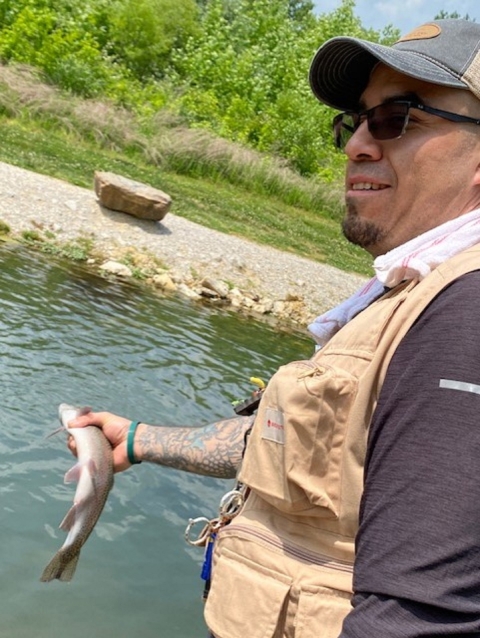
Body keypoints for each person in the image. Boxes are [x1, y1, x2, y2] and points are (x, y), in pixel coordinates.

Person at [68, 18, 480, 637]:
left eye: (399, 118)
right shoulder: (416, 290)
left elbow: (420, 619)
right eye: (356, 122)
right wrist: (139, 440)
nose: (357, 146)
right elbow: (309, 441)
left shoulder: (464, 313)